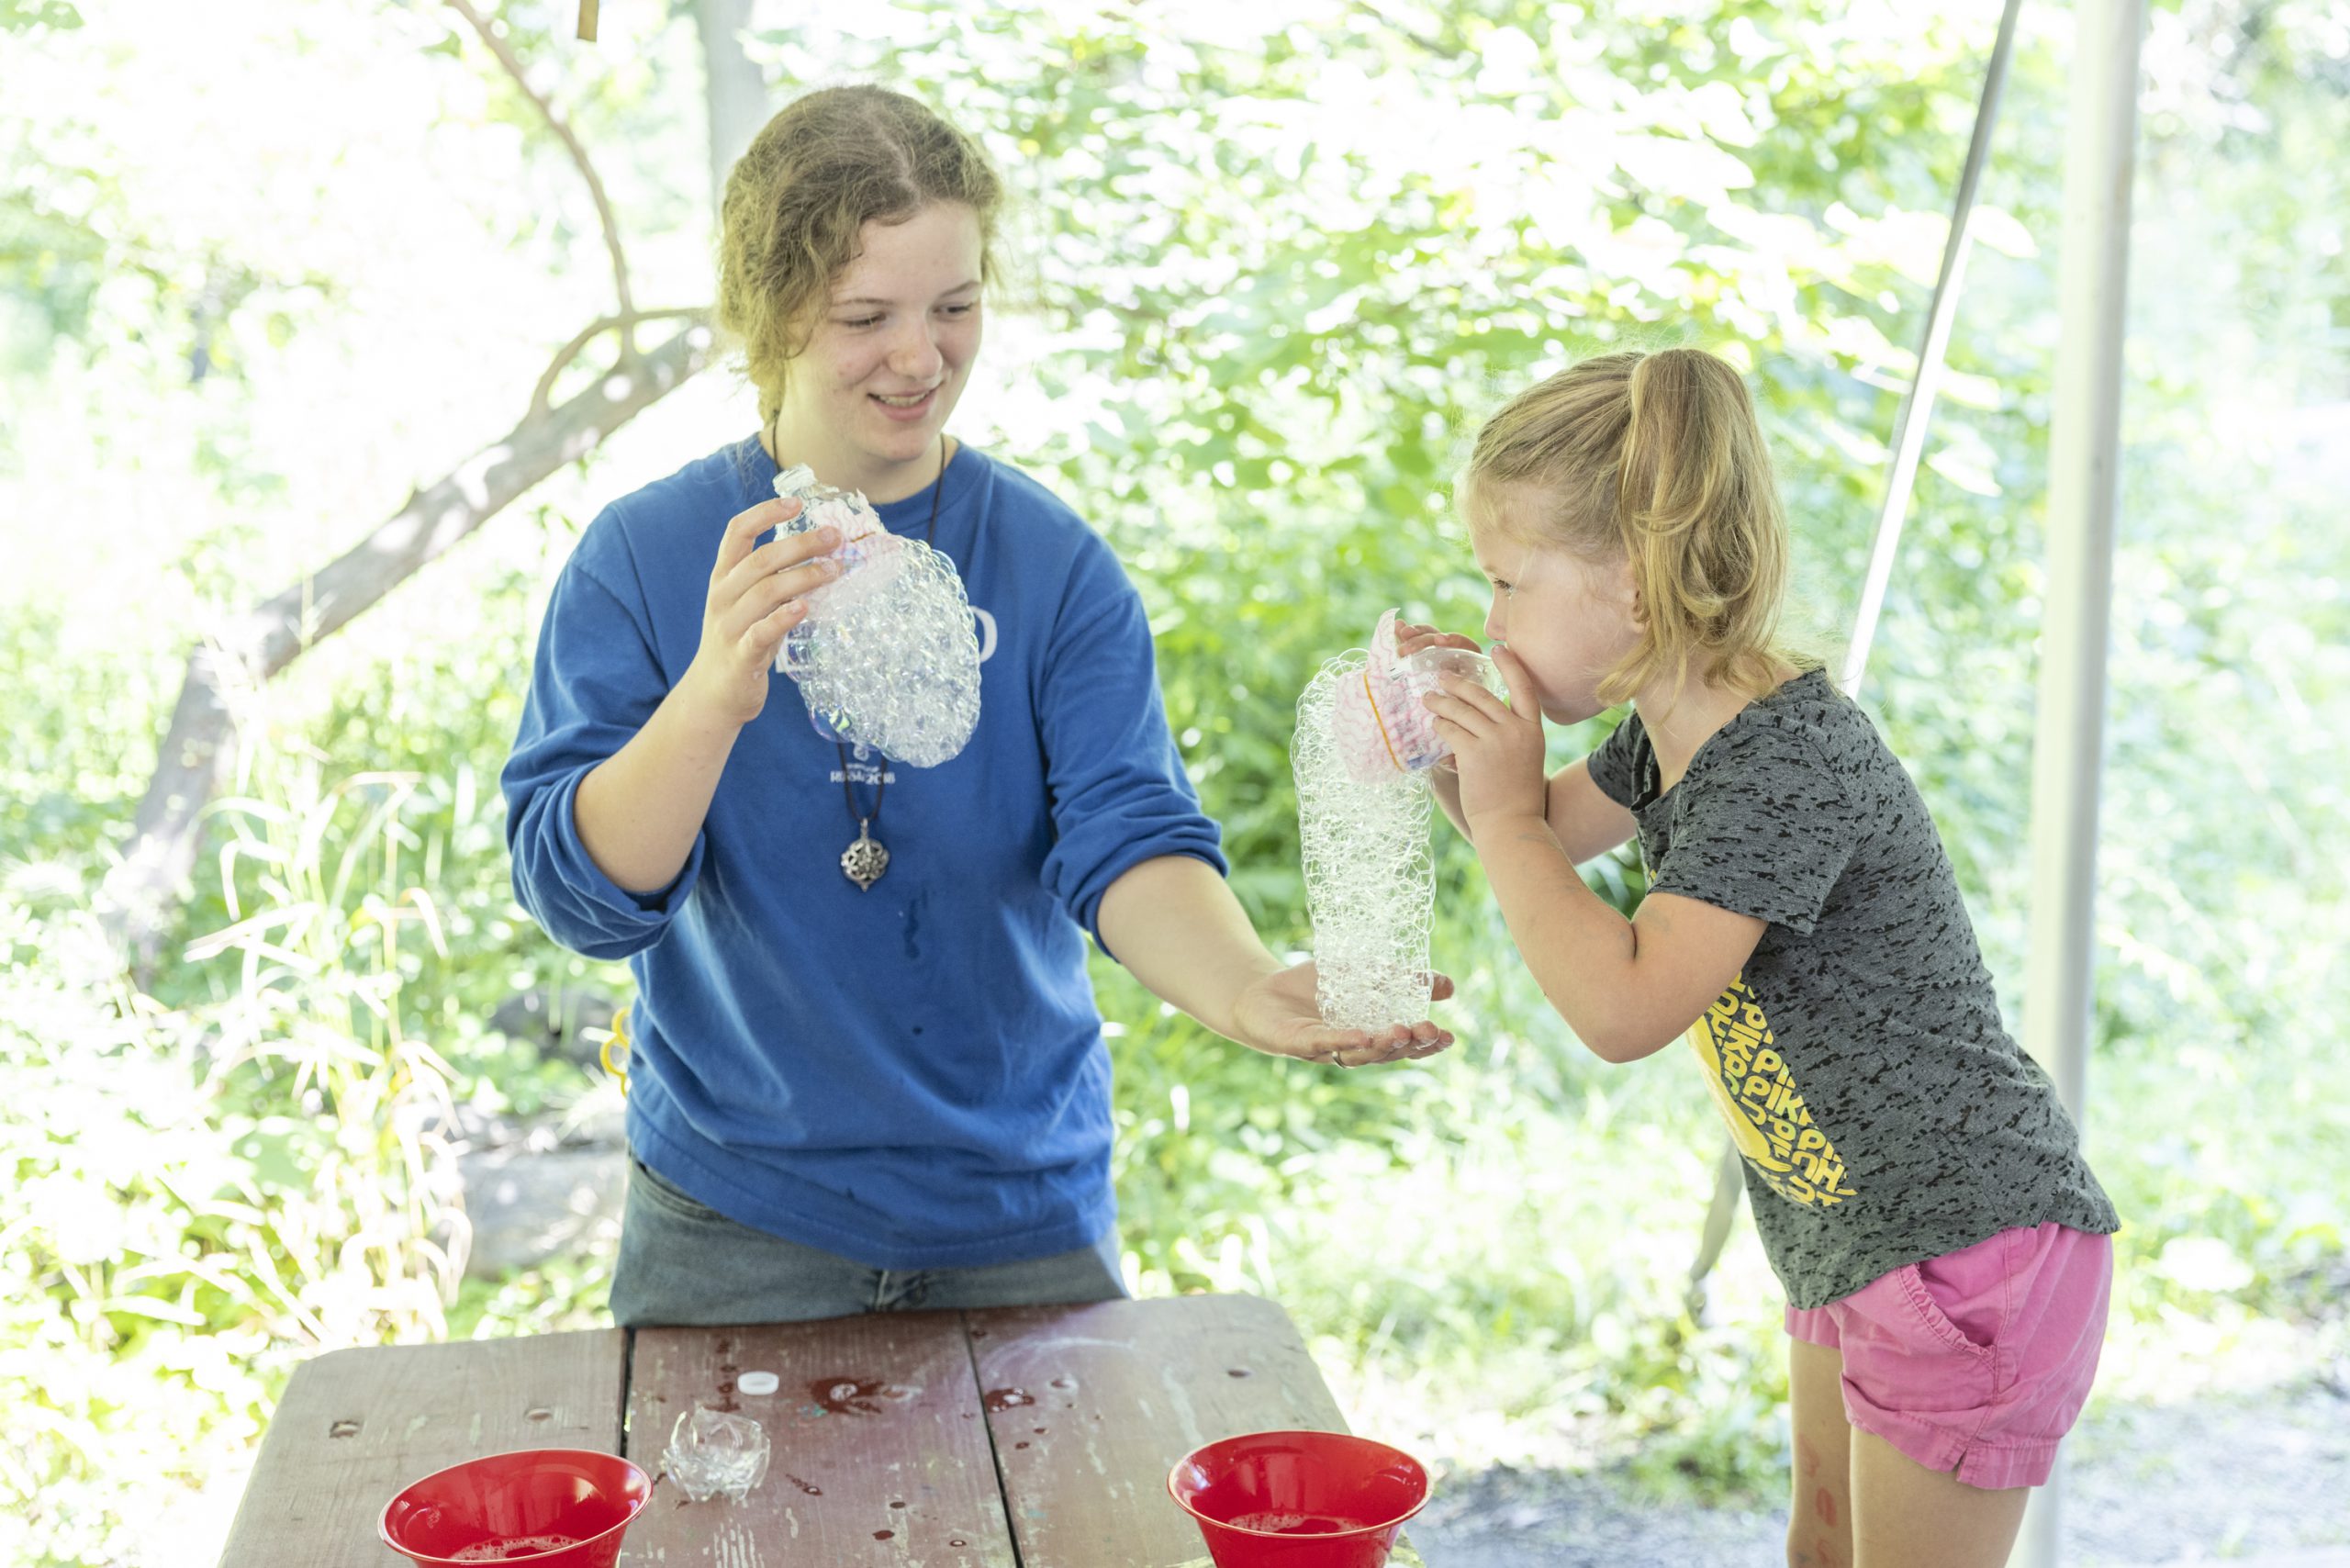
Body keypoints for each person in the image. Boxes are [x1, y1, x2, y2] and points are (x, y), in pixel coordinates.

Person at [501, 84, 1449, 1329]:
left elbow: (1127, 839)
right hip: (734, 1221)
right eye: (865, 316)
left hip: (1021, 1216)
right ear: (770, 314)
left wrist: (1246, 990)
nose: (921, 357)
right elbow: (581, 897)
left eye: (955, 308)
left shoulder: (1052, 564)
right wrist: (714, 693)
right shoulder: (646, 555)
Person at [1404, 347, 2119, 1568]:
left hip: (1966, 1248)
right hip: (1860, 1237)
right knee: (1822, 1551)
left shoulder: (1780, 761)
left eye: (1508, 585)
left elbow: (1625, 1001)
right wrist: (1443, 749)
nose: (1492, 622)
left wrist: (1512, 812)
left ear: (1630, 583)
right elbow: (1532, 834)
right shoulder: (1668, 731)